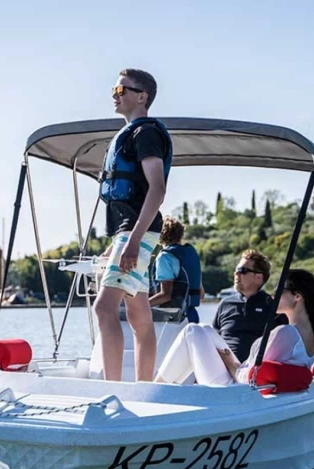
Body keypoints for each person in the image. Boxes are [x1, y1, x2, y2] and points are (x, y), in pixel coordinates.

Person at [93, 68, 173, 382]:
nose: (115, 94)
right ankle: (143, 388)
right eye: (114, 88)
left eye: (122, 89)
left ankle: (114, 392)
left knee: (103, 309)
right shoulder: (132, 134)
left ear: (142, 96)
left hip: (139, 231)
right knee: (140, 316)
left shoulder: (146, 134)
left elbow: (158, 188)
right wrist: (118, 243)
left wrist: (134, 240)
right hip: (130, 231)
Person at [154, 268, 314, 386]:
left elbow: (252, 378)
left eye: (279, 290)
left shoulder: (286, 333)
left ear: (297, 296)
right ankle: (160, 386)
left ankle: (155, 389)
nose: (272, 294)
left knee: (192, 331)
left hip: (236, 393)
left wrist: (230, 364)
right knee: (205, 329)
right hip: (243, 381)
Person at [212, 249, 285, 363]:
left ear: (258, 277)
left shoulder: (273, 306)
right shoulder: (225, 304)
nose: (236, 273)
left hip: (251, 371)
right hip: (221, 367)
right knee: (195, 330)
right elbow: (214, 339)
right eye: (236, 270)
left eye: (242, 270)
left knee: (193, 330)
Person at [149, 216, 203, 322]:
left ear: (159, 235)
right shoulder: (191, 253)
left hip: (173, 318)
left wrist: (141, 306)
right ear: (181, 234)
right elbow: (201, 294)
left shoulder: (165, 257)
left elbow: (166, 295)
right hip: (192, 316)